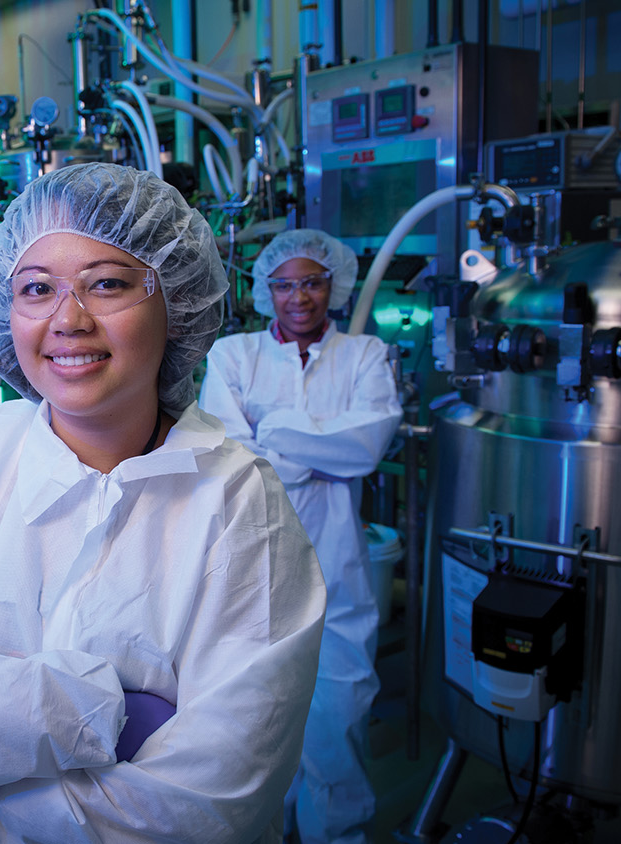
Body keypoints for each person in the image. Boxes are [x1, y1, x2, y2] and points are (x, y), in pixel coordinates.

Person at [0, 163, 327, 843]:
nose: (69, 319)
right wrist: (104, 714)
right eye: (36, 288)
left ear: (174, 300)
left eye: (107, 284)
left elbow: (214, 801)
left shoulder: (239, 501)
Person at [199, 229, 403, 844]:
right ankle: (268, 828)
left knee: (340, 705)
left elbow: (367, 446)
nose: (299, 297)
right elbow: (232, 454)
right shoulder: (233, 356)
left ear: (332, 285)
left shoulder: (366, 355)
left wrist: (277, 429)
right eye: (284, 284)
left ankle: (339, 834)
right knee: (257, 709)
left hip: (338, 555)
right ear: (265, 290)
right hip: (254, 552)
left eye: (311, 281)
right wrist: (318, 449)